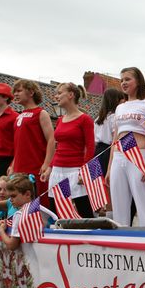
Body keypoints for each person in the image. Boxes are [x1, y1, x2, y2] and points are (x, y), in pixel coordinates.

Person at [106, 67, 145, 227]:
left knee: (144, 204)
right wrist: (109, 168)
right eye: (121, 80)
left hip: (139, 156)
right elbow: (115, 138)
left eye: (127, 79)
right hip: (119, 156)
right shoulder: (120, 107)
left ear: (138, 81)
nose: (123, 83)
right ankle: (121, 241)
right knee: (119, 205)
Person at [45, 82, 95, 217]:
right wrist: (50, 167)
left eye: (60, 93)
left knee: (84, 211)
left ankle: (89, 237)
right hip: (57, 170)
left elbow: (90, 147)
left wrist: (84, 172)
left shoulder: (85, 119)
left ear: (71, 95)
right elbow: (58, 146)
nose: (56, 96)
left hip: (75, 171)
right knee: (55, 211)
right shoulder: (60, 120)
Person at [9, 79, 54, 207]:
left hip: (36, 168)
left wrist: (47, 163)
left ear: (31, 92)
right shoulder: (18, 116)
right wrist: (13, 164)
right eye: (15, 92)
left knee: (39, 204)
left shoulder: (41, 113)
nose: (16, 94)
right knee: (20, 205)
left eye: (19, 91)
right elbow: (19, 144)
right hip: (19, 169)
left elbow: (51, 139)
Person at [0, 174, 56, 250]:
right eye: (10, 197)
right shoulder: (44, 210)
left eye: (13, 196)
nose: (10, 200)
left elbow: (12, 245)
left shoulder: (19, 215)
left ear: (28, 194)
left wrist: (1, 230)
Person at [95, 88, 126, 177]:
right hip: (108, 152)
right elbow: (115, 138)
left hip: (97, 152)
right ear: (116, 100)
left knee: (99, 181)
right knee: (110, 179)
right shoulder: (114, 117)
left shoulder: (98, 119)